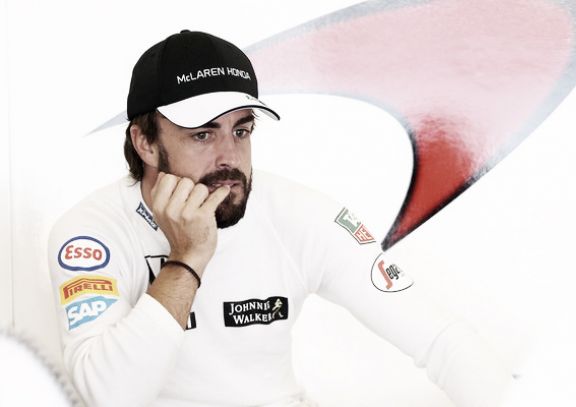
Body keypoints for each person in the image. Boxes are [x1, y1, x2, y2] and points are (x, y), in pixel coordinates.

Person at [48, 29, 512, 407]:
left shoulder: (302, 215)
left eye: (241, 130)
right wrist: (186, 259)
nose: (230, 157)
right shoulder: (92, 233)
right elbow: (109, 396)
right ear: (145, 142)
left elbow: (442, 341)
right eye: (203, 134)